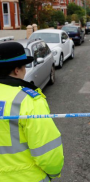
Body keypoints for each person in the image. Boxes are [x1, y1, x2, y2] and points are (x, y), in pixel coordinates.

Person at [0, 42, 64, 182]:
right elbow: (48, 151)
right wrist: (53, 173)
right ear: (17, 70)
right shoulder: (27, 100)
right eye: (24, 67)